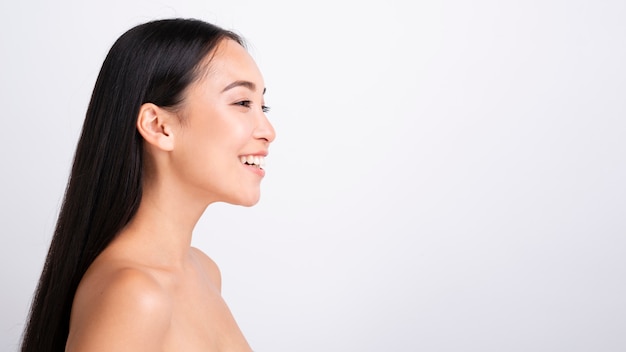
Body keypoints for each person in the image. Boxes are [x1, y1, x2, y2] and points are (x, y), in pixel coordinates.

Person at [20, 18, 275, 352]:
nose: (268, 130)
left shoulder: (204, 271)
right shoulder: (134, 294)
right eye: (243, 103)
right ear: (158, 126)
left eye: (263, 106)